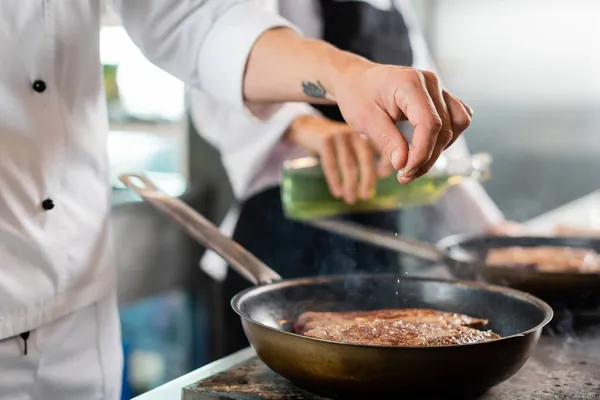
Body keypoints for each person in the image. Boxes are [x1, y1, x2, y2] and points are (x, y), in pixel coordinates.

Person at [0, 0, 474, 398]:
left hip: (78, 309)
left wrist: (350, 75)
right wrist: (300, 124)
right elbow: (211, 94)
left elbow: (198, 22)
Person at [189, 0, 521, 358]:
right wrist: (303, 126)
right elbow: (213, 56)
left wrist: (487, 233)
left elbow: (434, 136)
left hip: (379, 240)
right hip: (283, 235)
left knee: (387, 356)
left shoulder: (398, 9)